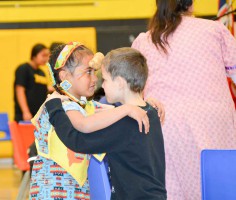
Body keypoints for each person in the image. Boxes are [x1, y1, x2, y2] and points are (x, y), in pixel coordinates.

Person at [131, 0, 236, 199]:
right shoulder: (213, 29)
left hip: (163, 125)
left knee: (171, 192)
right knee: (220, 190)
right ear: (191, 4)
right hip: (213, 125)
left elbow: (133, 91)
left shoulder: (144, 40)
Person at [29, 42, 152, 199]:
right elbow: (84, 123)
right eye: (88, 72)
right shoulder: (57, 103)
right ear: (65, 76)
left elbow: (115, 112)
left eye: (95, 72)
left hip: (78, 189)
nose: (95, 78)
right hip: (50, 190)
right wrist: (127, 109)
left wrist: (147, 106)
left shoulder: (85, 105)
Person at [14, 43, 50, 122]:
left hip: (39, 115)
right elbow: (20, 90)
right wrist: (25, 111)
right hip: (26, 115)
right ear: (34, 55)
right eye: (43, 55)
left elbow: (42, 89)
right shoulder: (24, 69)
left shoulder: (41, 72)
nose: (46, 58)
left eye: (47, 56)